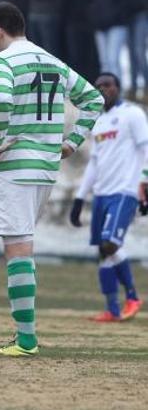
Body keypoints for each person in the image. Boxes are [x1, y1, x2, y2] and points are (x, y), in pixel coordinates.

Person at [0, 1, 103, 356]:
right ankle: (25, 336)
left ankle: (26, 339)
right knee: (22, 245)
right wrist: (71, 142)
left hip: (17, 163)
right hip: (46, 166)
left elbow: (2, 102)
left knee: (17, 248)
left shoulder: (2, 61)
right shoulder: (51, 60)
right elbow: (93, 99)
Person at [70, 73, 147, 322]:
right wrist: (80, 198)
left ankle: (133, 297)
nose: (103, 89)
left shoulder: (132, 114)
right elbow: (94, 162)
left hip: (125, 191)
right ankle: (112, 309)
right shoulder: (99, 121)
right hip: (101, 193)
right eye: (98, 86)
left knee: (110, 244)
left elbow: (146, 148)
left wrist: (144, 183)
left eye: (108, 85)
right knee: (102, 253)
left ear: (118, 88)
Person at [63, 0, 100, 84]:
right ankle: (78, 86)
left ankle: (92, 84)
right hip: (73, 22)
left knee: (91, 57)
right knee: (76, 57)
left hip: (91, 23)